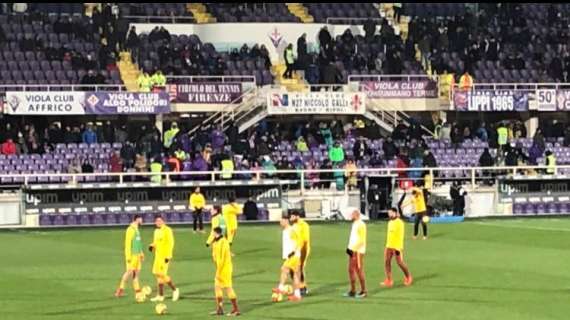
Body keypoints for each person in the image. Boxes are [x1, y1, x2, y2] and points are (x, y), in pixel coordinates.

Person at [210, 227, 240, 316]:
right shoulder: (216, 242)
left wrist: (219, 271)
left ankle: (236, 309)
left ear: (216, 233)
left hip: (224, 269)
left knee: (228, 288)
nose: (212, 234)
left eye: (213, 233)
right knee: (217, 287)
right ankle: (220, 309)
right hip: (220, 268)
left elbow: (222, 258)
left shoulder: (223, 242)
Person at [149, 215, 180, 302]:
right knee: (157, 274)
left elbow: (171, 243)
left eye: (159, 220)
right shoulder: (156, 231)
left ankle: (175, 290)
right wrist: (152, 246)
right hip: (157, 256)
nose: (158, 222)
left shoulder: (167, 230)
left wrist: (168, 256)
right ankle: (160, 295)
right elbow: (156, 242)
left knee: (162, 274)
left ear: (163, 221)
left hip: (164, 256)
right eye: (156, 221)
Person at [272, 216, 303, 302]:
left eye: (281, 221)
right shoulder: (286, 231)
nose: (280, 223)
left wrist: (293, 251)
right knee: (295, 275)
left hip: (293, 256)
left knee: (284, 269)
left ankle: (281, 288)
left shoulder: (290, 231)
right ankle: (297, 295)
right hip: (293, 256)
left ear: (286, 221)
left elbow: (298, 241)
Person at [380, 208, 413, 288]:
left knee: (400, 263)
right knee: (387, 262)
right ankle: (389, 280)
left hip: (396, 246)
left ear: (395, 213)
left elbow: (400, 236)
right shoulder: (390, 222)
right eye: (388, 213)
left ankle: (408, 277)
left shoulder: (400, 223)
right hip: (389, 246)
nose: (389, 215)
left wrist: (398, 248)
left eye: (390, 213)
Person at [114, 215, 144, 298]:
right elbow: (127, 244)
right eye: (141, 218)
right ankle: (120, 290)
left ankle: (137, 290)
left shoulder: (136, 229)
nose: (142, 220)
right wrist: (128, 257)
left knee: (136, 273)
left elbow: (138, 242)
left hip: (137, 255)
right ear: (137, 219)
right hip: (132, 255)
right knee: (129, 272)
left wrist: (141, 253)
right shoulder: (130, 230)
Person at [344, 209, 367, 298]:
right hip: (352, 250)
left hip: (357, 251)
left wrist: (353, 249)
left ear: (356, 215)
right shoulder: (355, 224)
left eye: (352, 215)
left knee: (358, 270)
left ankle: (363, 290)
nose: (351, 216)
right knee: (350, 270)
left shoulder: (361, 225)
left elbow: (361, 240)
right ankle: (353, 290)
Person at [289, 211, 311, 296]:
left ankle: (303, 287)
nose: (290, 219)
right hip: (293, 249)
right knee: (291, 268)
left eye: (292, 217)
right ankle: (297, 285)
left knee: (300, 267)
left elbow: (305, 239)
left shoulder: (304, 225)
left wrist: (298, 249)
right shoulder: (294, 226)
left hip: (302, 249)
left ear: (297, 216)